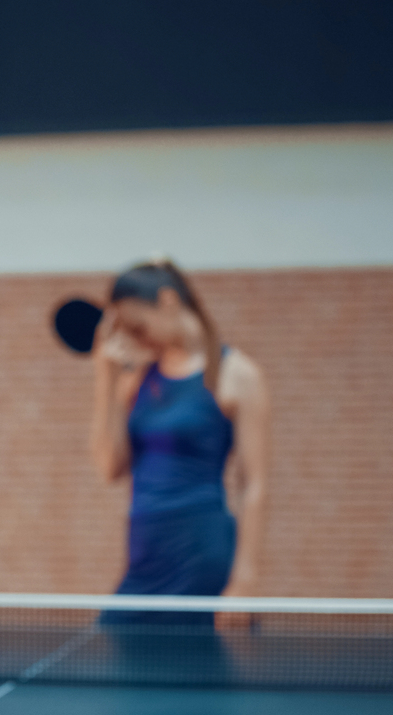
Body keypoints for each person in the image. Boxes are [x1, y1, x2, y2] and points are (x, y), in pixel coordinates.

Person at [89, 258, 270, 622]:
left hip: (202, 552)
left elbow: (254, 484)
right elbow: (110, 467)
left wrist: (245, 581)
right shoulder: (138, 379)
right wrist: (105, 378)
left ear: (168, 302)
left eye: (139, 326)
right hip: (145, 555)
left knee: (195, 673)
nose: (136, 339)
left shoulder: (238, 375)